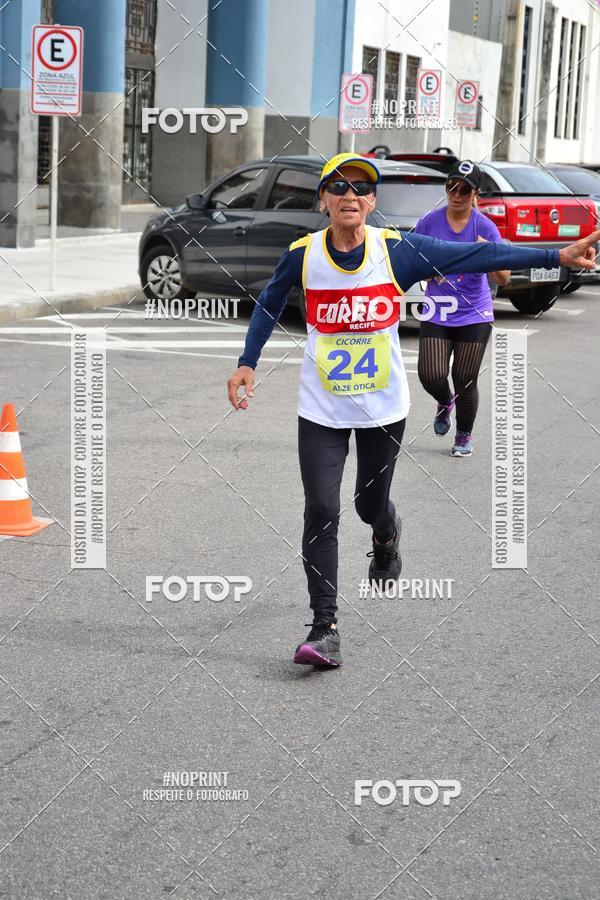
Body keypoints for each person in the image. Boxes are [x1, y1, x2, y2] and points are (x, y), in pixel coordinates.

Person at [226, 152, 598, 669]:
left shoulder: (397, 251)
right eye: (339, 187)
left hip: (383, 408)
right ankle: (324, 627)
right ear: (324, 200)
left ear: (372, 201)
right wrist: (248, 362)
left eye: (361, 188)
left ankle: (385, 533)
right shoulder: (303, 255)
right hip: (322, 410)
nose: (350, 195)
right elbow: (268, 301)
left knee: (367, 504)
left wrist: (556, 256)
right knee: (321, 510)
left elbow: (475, 256)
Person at [415, 160, 509, 457]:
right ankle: (445, 402)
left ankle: (464, 434)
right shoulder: (430, 221)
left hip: (474, 313)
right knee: (430, 375)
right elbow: (412, 262)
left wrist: (488, 255)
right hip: (438, 309)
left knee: (465, 379)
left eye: (464, 189)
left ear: (475, 194)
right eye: (451, 187)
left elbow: (503, 278)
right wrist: (429, 271)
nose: (457, 194)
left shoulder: (486, 227)